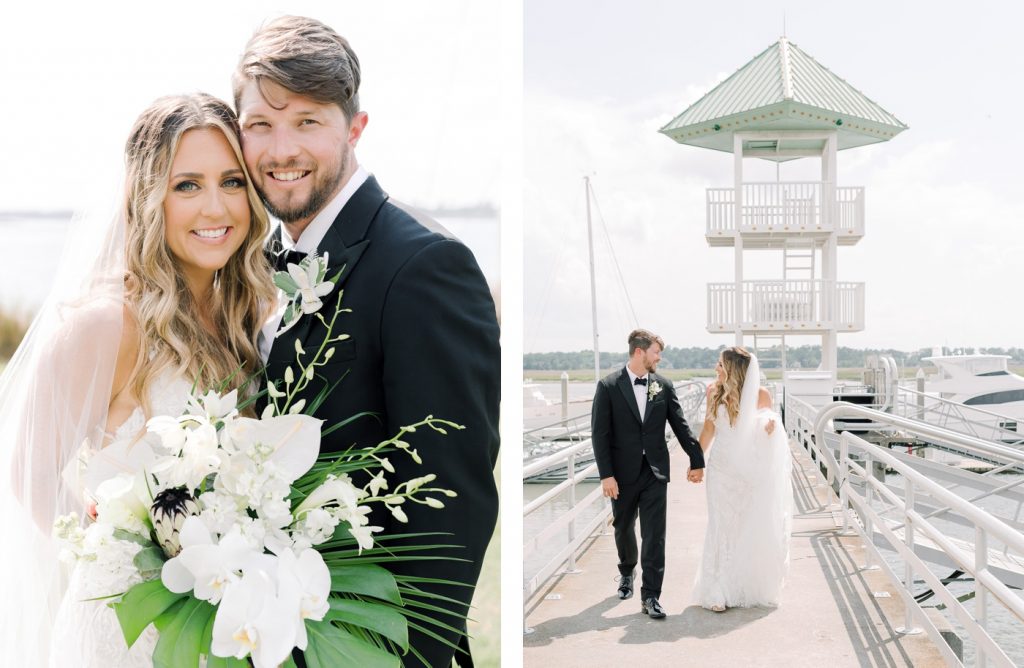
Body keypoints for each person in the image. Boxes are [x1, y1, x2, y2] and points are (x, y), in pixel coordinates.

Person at [233, 16, 500, 667]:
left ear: (354, 129)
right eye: (261, 125)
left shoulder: (424, 266)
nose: (281, 149)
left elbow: (449, 517)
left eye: (307, 122)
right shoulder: (255, 265)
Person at [0, 93, 275, 666]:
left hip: (223, 624)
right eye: (187, 185)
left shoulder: (242, 324)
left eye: (231, 181)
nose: (215, 207)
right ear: (146, 198)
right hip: (122, 631)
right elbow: (30, 471)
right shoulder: (106, 323)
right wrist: (121, 552)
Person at [591, 329, 705, 619]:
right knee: (623, 527)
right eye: (656, 352)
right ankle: (627, 571)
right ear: (639, 352)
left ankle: (651, 596)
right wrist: (606, 475)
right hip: (622, 474)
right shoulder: (608, 386)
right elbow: (599, 435)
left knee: (655, 536)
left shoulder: (663, 386)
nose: (659, 358)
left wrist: (697, 459)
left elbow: (681, 425)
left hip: (655, 472)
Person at [693, 347, 792, 611]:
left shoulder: (761, 394)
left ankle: (740, 584)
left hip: (748, 472)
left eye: (721, 365)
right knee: (719, 526)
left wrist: (770, 426)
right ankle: (716, 588)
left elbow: (768, 426)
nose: (716, 369)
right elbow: (708, 428)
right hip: (721, 470)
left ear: (734, 369)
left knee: (743, 527)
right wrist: (695, 461)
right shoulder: (714, 391)